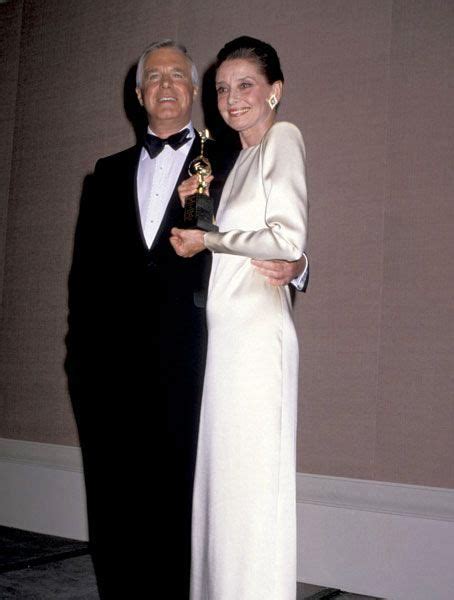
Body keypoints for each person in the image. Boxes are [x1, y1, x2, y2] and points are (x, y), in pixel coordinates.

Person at [65, 39, 306, 599]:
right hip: (110, 380)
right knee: (115, 514)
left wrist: (298, 264)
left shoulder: (232, 154)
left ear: (192, 92)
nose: (167, 84)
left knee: (186, 520)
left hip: (195, 370)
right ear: (138, 92)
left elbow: (276, 227)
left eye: (179, 75)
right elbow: (84, 284)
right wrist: (80, 367)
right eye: (155, 76)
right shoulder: (104, 175)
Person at [171, 36, 308, 600]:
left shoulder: (284, 137)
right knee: (224, 493)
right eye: (223, 89)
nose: (232, 99)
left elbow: (286, 238)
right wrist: (197, 211)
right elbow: (225, 252)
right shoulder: (238, 159)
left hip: (257, 339)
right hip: (225, 342)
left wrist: (210, 237)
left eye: (245, 85)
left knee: (252, 495)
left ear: (275, 90)